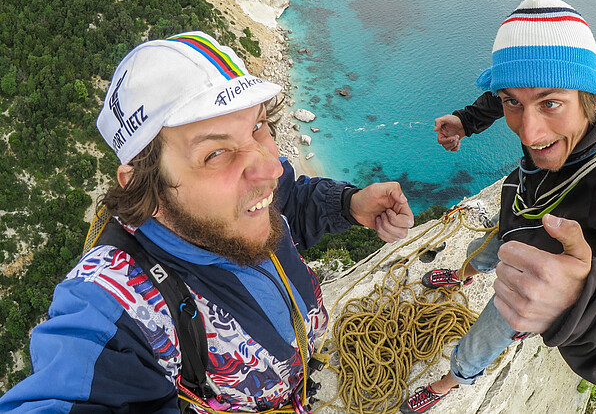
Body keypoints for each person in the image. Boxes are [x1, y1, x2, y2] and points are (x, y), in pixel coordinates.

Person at [0, 31, 414, 413]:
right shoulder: (116, 304)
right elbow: (71, 386)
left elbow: (287, 201)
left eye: (258, 128)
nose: (268, 167)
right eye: (215, 154)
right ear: (151, 190)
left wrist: (349, 204)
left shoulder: (249, 188)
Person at [402, 0, 596, 413]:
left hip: (540, 273)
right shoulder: (575, 88)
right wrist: (466, 121)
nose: (528, 133)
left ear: (594, 98)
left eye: (550, 104)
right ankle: (461, 274)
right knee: (483, 253)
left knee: (488, 334)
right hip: (519, 213)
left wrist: (576, 301)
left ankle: (451, 381)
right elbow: (511, 89)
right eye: (515, 103)